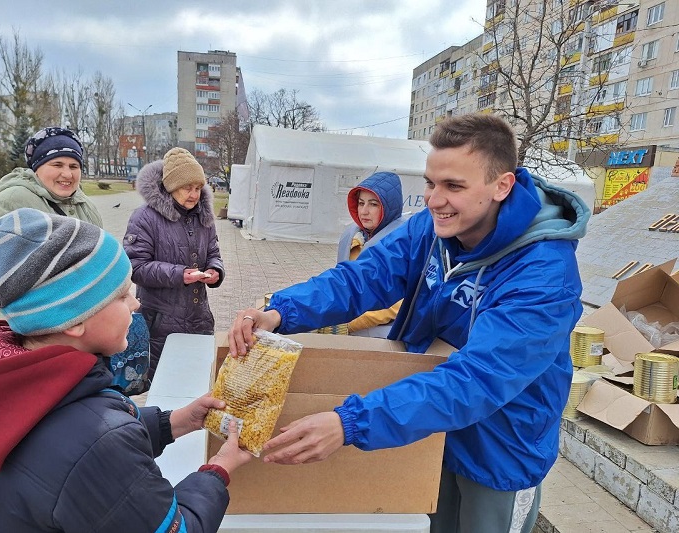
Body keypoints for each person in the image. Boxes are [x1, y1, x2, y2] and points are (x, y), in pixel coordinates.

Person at [228, 113, 590, 533]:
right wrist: (280, 310)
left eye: (454, 186)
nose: (435, 200)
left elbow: (478, 379)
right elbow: (363, 278)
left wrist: (351, 423)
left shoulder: (543, 273)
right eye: (431, 183)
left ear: (501, 186)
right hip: (427, 420)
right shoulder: (433, 230)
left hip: (499, 446)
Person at [0, 208, 252, 532]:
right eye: (122, 296)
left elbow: (70, 454)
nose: (136, 304)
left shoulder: (8, 381)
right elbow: (96, 451)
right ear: (74, 320)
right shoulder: (99, 440)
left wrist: (177, 421)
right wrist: (218, 469)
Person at [124, 147, 224, 382]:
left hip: (199, 319)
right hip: (160, 322)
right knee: (162, 384)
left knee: (196, 383)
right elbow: (136, 267)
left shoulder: (203, 217)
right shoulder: (145, 217)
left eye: (198, 188)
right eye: (187, 188)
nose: (194, 195)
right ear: (171, 186)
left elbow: (214, 252)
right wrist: (180, 274)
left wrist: (215, 270)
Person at [0, 127, 103, 230]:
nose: (67, 174)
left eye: (73, 166)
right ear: (36, 169)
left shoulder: (86, 204)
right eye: (57, 165)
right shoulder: (11, 202)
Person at [335, 171, 405, 337]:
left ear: (389, 207)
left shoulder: (402, 243)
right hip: (349, 325)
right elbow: (340, 285)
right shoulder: (353, 238)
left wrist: (348, 324)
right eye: (361, 203)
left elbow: (400, 303)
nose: (364, 211)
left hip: (387, 332)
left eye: (373, 204)